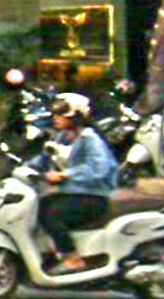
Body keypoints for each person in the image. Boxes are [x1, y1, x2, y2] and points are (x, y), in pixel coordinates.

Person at [28, 92, 118, 275]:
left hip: (93, 197)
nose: (56, 118)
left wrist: (65, 175)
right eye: (55, 114)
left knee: (51, 213)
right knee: (37, 206)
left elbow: (98, 168)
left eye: (61, 114)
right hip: (73, 194)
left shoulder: (90, 139)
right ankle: (51, 252)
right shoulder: (61, 137)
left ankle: (73, 259)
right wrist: (25, 168)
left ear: (75, 117)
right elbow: (44, 157)